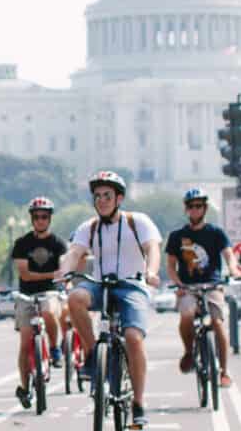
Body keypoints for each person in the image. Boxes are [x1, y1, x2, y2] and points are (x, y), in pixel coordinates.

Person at [59, 170, 161, 428]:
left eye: (107, 195)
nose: (102, 200)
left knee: (134, 339)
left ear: (119, 198)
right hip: (99, 285)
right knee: (75, 298)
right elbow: (75, 252)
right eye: (97, 196)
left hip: (132, 286)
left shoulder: (138, 221)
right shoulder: (88, 227)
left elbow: (152, 248)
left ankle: (138, 404)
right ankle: (94, 353)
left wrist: (151, 271)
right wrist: (66, 273)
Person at [165, 186, 240, 387]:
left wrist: (233, 269)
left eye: (199, 206)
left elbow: (228, 254)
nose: (195, 210)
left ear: (205, 208)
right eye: (191, 206)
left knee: (217, 322)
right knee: (187, 313)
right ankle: (189, 351)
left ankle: (224, 371)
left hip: (212, 284)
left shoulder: (216, 232)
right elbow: (171, 266)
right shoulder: (177, 236)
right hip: (187, 286)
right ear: (186, 209)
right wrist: (177, 284)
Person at [10, 196, 68, 408]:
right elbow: (24, 275)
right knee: (25, 344)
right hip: (26, 296)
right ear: (32, 218)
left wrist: (55, 275)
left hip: (50, 293)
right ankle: (25, 388)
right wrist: (52, 274)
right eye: (37, 216)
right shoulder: (22, 243)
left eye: (44, 216)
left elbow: (62, 269)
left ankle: (54, 348)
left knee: (50, 312)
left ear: (50, 218)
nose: (40, 220)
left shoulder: (59, 243)